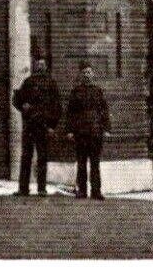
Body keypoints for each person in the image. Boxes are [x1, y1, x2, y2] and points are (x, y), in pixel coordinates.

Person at [13, 57, 62, 197]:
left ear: (46, 66)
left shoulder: (51, 84)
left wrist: (52, 126)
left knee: (42, 157)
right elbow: (16, 99)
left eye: (43, 64)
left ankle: (42, 188)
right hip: (29, 125)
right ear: (34, 65)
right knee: (26, 157)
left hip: (44, 126)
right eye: (38, 64)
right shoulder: (28, 82)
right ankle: (23, 188)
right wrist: (22, 106)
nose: (40, 66)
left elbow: (57, 107)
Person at [66, 61, 111, 200]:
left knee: (95, 163)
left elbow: (104, 111)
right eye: (84, 72)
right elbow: (70, 113)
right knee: (81, 162)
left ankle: (96, 191)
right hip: (81, 132)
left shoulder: (98, 91)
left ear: (93, 74)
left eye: (89, 72)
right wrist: (70, 130)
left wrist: (106, 128)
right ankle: (82, 190)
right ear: (80, 75)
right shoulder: (76, 92)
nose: (86, 75)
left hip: (95, 132)